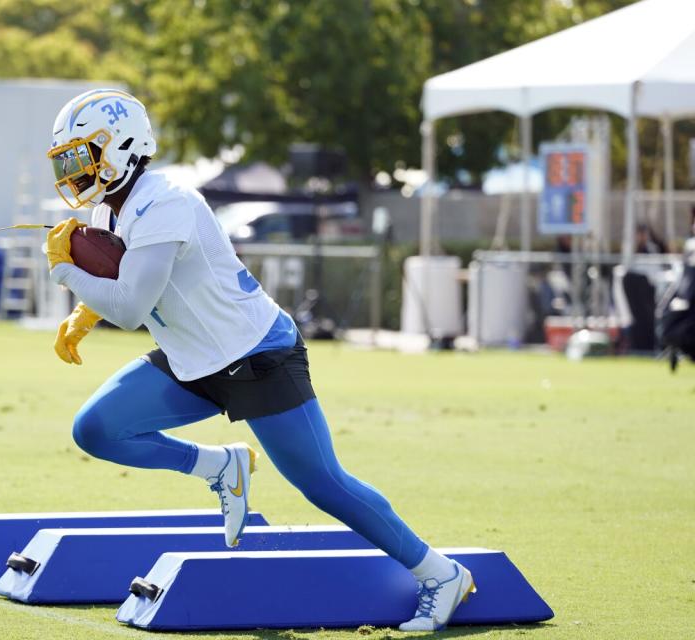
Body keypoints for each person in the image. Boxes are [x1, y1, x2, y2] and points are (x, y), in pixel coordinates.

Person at [43, 90, 474, 632]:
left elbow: (130, 306)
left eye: (86, 155)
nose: (78, 170)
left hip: (255, 355)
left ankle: (439, 573)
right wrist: (84, 313)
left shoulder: (166, 200)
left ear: (125, 146)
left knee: (324, 485)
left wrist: (64, 273)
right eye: (72, 159)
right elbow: (127, 280)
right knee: (97, 429)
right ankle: (221, 467)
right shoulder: (114, 206)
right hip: (192, 358)